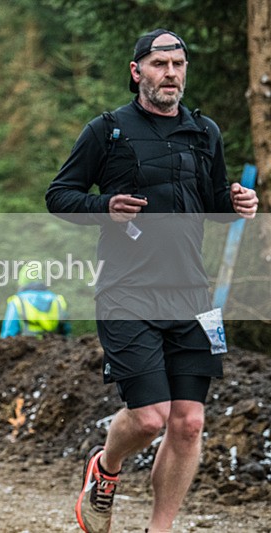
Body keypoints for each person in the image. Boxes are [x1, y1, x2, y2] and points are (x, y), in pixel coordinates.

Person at [45, 29, 258, 533]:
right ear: (137, 70)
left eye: (178, 64)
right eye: (160, 64)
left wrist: (236, 203)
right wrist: (104, 205)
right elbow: (59, 195)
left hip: (192, 294)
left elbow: (211, 203)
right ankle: (106, 468)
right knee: (149, 418)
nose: (171, 73)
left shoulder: (204, 132)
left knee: (189, 422)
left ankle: (158, 529)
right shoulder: (107, 131)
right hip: (127, 291)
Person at [0, 263, 69, 338]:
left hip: (25, 344)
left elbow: (8, 333)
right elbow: (66, 332)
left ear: (22, 280)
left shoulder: (17, 301)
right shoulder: (58, 301)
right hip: (54, 344)